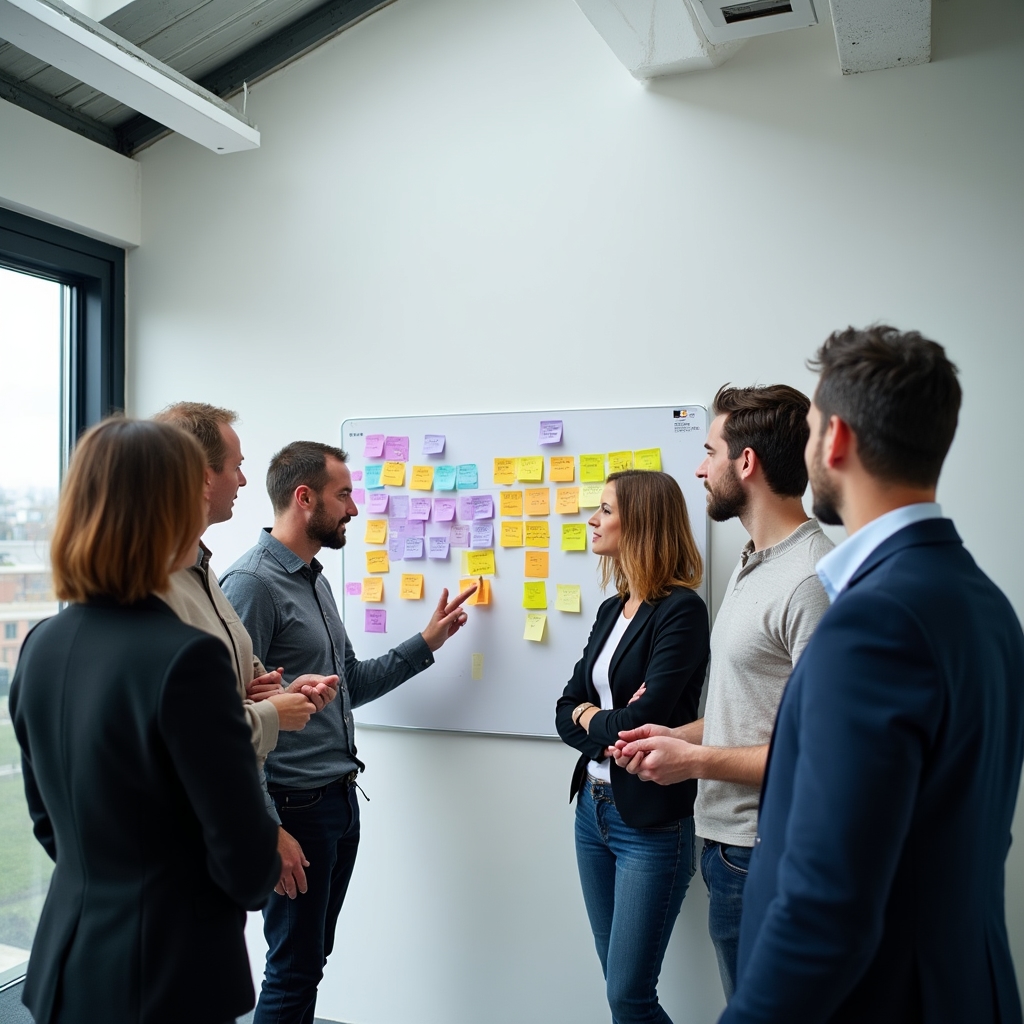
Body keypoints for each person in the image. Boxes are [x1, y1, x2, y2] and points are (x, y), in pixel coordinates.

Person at [720, 326, 1024, 1023]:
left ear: (836, 441)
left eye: (813, 428)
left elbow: (828, 904)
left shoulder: (874, 622)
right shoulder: (985, 601)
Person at [10, 418, 279, 1024]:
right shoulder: (186, 658)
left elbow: (48, 825)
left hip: (65, 970)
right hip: (166, 978)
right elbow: (246, 863)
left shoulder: (41, 645)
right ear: (170, 510)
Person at [220, 440, 478, 1024]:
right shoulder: (251, 585)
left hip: (337, 801)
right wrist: (269, 827)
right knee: (292, 969)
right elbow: (231, 721)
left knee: (310, 960)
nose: (354, 509)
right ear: (304, 498)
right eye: (344, 496)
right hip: (294, 809)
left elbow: (350, 685)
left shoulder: (314, 580)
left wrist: (427, 642)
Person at [610, 385, 833, 998]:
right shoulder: (751, 562)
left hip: (768, 854)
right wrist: (674, 735)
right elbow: (749, 715)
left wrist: (695, 762)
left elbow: (819, 756)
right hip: (726, 848)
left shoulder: (812, 581)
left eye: (710, 450)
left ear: (747, 462)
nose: (700, 468)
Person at [155, 401, 338, 900]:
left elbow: (232, 691)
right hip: (190, 852)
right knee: (289, 974)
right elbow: (183, 737)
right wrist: (271, 714)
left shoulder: (204, 570)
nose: (243, 480)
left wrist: (270, 694)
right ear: (199, 473)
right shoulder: (221, 582)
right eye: (235, 466)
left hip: (222, 845)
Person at [554, 469, 710, 1024]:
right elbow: (563, 707)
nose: (592, 520)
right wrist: (598, 716)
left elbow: (644, 722)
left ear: (640, 521)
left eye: (605, 510)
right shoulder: (609, 609)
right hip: (592, 813)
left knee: (629, 995)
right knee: (617, 986)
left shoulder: (682, 611)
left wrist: (591, 715)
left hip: (649, 821)